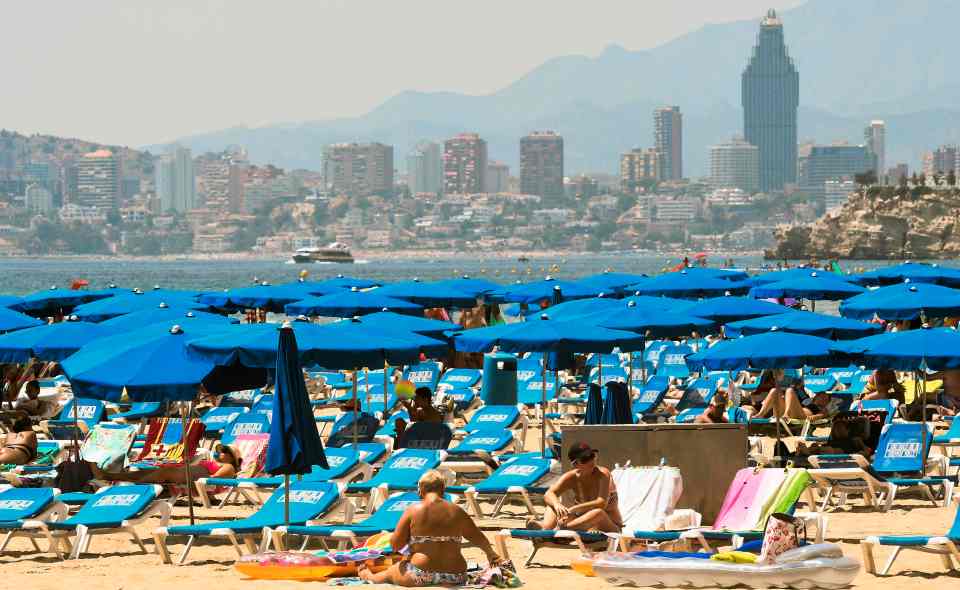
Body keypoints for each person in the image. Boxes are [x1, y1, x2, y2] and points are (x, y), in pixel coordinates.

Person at [358, 470, 503, 586]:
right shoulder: (456, 510)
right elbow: (476, 536)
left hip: (420, 574)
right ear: (443, 489)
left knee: (393, 571)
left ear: (420, 490)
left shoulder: (413, 510)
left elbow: (396, 545)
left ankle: (370, 577)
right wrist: (491, 554)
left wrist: (407, 542)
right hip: (456, 575)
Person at [528, 442, 623, 533]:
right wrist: (557, 505)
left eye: (592, 456)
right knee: (553, 503)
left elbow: (601, 503)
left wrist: (574, 509)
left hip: (609, 524)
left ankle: (561, 529)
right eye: (585, 459)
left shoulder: (603, 474)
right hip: (583, 522)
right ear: (575, 464)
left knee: (598, 513)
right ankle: (546, 527)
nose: (591, 460)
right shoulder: (571, 477)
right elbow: (548, 494)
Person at [96, 443, 239, 484]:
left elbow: (216, 479)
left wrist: (205, 482)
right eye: (222, 449)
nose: (221, 452)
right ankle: (109, 476)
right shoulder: (215, 462)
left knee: (162, 473)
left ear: (232, 457)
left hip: (191, 475)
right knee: (146, 472)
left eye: (225, 451)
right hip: (184, 472)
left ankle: (129, 484)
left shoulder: (229, 466)